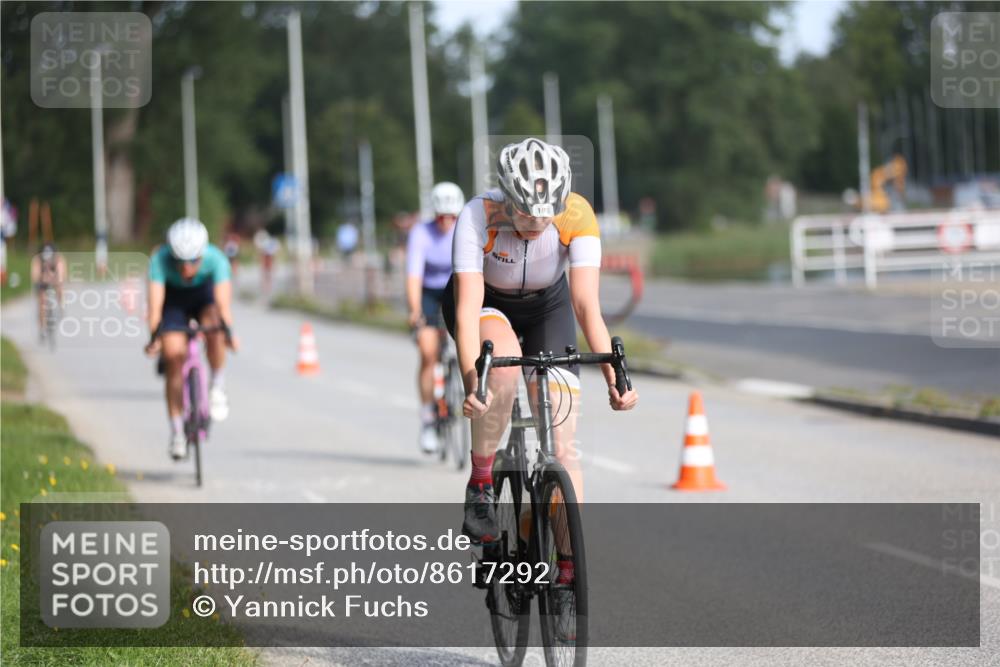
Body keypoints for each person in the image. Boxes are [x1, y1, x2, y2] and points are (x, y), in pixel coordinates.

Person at [442, 138, 639, 544]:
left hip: (548, 307)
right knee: (502, 367)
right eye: (527, 213)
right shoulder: (477, 215)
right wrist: (470, 383)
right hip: (486, 306)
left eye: (547, 216)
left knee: (564, 447)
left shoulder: (578, 214)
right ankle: (480, 484)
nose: (536, 224)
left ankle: (567, 569)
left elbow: (586, 306)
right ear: (507, 199)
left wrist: (614, 379)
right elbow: (466, 311)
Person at [144, 218, 238, 460]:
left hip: (203, 298)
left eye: (193, 261)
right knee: (173, 357)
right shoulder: (159, 260)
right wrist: (154, 337)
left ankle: (217, 385)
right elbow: (155, 309)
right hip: (173, 302)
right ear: (172, 255)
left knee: (215, 327)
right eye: (180, 262)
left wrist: (230, 334)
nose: (186, 268)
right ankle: (176, 432)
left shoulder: (216, 259)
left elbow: (223, 306)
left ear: (202, 254)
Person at [406, 181, 465, 454]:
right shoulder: (421, 233)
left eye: (452, 217)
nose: (446, 222)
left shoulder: (463, 231)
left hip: (457, 288)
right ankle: (429, 418)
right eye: (442, 216)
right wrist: (415, 311)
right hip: (429, 292)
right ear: (434, 215)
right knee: (428, 351)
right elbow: (414, 276)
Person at [30, 242, 66, 340]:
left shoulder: (58, 259)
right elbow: (35, 275)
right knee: (42, 302)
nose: (48, 262)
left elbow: (62, 272)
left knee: (60, 287)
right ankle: (42, 328)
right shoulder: (37, 260)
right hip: (42, 280)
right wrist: (38, 282)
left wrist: (58, 280)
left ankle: (61, 305)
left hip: (54, 278)